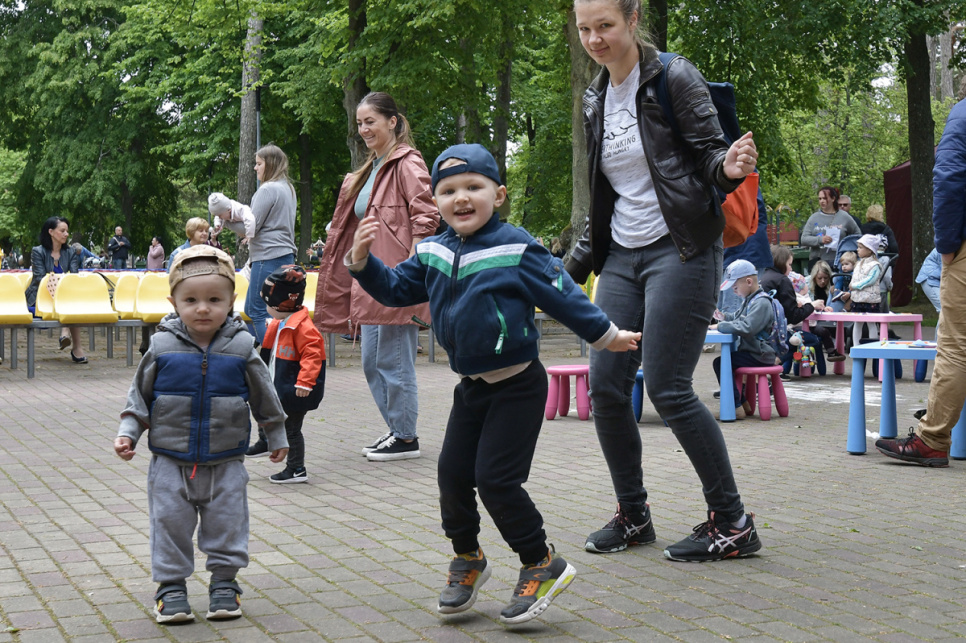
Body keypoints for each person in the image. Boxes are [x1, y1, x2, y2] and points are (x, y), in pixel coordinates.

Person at [348, 143, 641, 624]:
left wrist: (607, 336)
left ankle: (541, 563)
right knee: (452, 475)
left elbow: (563, 293)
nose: (461, 198)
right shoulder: (433, 250)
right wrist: (363, 263)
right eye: (448, 191)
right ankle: (468, 558)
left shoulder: (515, 247)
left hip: (518, 386)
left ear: (498, 195)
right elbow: (398, 289)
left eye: (473, 187)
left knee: (496, 480)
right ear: (436, 202)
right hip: (472, 387)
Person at [570, 0, 762, 563]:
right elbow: (603, 194)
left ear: (632, 20)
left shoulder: (673, 76)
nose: (595, 39)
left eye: (605, 26)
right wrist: (566, 272)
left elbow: (708, 156)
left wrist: (728, 167)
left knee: (668, 386)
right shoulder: (594, 98)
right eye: (584, 29)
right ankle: (633, 516)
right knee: (605, 385)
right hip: (621, 255)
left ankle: (733, 522)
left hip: (681, 248)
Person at [113, 245, 288, 623]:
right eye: (191, 300)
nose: (203, 308)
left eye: (214, 299)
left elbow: (264, 394)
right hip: (169, 461)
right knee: (169, 524)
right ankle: (171, 588)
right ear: (173, 302)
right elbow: (139, 395)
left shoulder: (242, 346)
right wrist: (129, 431)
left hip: (226, 461)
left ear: (231, 301)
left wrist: (275, 433)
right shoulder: (161, 345)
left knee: (227, 523)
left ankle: (224, 584)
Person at [314, 92, 440, 461]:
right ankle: (397, 428)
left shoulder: (407, 162)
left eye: (370, 121)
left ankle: (406, 437)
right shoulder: (372, 167)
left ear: (392, 121)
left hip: (396, 278)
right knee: (371, 362)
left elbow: (426, 216)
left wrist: (413, 270)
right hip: (370, 279)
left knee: (393, 361)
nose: (364, 129)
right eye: (359, 123)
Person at [875, 95, 966, 468]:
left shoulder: (963, 114)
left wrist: (947, 247)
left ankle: (932, 439)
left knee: (956, 345)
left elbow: (949, 178)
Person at [246, 265, 326, 484]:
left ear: (281, 304)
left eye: (268, 305)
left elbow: (313, 355)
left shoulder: (303, 328)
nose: (266, 309)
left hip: (294, 389)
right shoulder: (280, 322)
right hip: (278, 383)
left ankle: (297, 468)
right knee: (263, 409)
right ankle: (266, 441)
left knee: (291, 429)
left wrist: (305, 382)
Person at [711, 260, 779, 419]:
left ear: (749, 282)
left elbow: (748, 327)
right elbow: (737, 317)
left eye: (735, 287)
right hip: (754, 352)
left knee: (721, 363)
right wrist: (723, 317)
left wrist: (721, 326)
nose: (734, 291)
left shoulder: (761, 302)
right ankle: (742, 403)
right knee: (723, 362)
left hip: (760, 354)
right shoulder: (751, 299)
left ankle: (736, 406)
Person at [246, 144, 298, 344]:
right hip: (285, 255)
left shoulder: (267, 189)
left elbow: (251, 227)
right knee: (270, 310)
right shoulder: (288, 188)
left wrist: (226, 217)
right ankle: (269, 353)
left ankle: (272, 357)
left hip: (267, 255)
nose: (255, 168)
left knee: (256, 310)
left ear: (271, 164)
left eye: (259, 164)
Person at [759, 245, 836, 369]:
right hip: (777, 334)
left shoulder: (764, 277)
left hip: (763, 332)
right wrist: (811, 305)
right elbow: (793, 317)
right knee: (813, 339)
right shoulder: (782, 280)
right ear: (781, 262)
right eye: (789, 264)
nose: (791, 268)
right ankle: (776, 361)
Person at [25, 216, 87, 363]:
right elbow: (40, 278)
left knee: (72, 303)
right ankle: (66, 333)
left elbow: (73, 277)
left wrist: (64, 285)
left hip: (66, 298)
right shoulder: (38, 251)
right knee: (70, 305)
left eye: (67, 231)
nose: (66, 234)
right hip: (40, 299)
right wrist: (63, 283)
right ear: (51, 232)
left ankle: (75, 345)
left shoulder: (71, 252)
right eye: (62, 231)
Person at [800, 187, 861, 271]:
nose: (822, 201)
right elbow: (804, 239)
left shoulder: (844, 217)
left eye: (825, 198)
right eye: (820, 199)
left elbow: (858, 236)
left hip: (839, 262)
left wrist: (847, 248)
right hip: (818, 262)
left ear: (833, 199)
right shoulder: (814, 217)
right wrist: (820, 240)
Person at [848, 234, 885, 347]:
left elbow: (870, 280)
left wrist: (855, 286)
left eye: (860, 247)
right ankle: (856, 346)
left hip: (870, 300)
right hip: (857, 299)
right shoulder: (858, 264)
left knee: (871, 322)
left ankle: (872, 346)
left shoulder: (875, 265)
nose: (857, 250)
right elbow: (855, 277)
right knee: (857, 322)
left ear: (869, 249)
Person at [916, 248, 942, 312]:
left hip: (941, 279)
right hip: (931, 279)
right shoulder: (946, 246)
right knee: (946, 308)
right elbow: (947, 270)